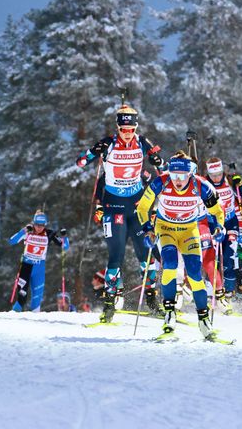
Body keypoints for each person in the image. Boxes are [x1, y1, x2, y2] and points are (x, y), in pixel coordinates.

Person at [76, 104, 165, 322]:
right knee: (116, 256)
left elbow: (162, 166)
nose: (127, 133)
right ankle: (109, 306)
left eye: (131, 129)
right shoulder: (108, 143)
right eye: (123, 129)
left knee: (146, 256)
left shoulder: (143, 142)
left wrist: (157, 161)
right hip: (114, 206)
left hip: (138, 207)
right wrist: (90, 154)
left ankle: (152, 301)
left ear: (135, 128)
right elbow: (80, 162)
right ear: (118, 127)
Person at [136, 151, 226, 340]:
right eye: (174, 175)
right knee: (169, 264)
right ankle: (170, 315)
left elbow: (217, 210)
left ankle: (203, 320)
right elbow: (143, 207)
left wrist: (220, 227)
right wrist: (147, 229)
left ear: (190, 174)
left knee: (194, 272)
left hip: (188, 231)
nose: (177, 180)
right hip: (166, 228)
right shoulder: (162, 181)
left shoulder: (201, 185)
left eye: (182, 176)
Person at [204, 157, 242, 311]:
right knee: (211, 259)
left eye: (218, 173)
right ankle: (211, 294)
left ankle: (229, 294)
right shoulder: (204, 183)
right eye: (213, 175)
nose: (216, 177)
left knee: (229, 258)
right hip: (212, 224)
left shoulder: (230, 180)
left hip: (230, 223)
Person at [8, 210, 69, 312]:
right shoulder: (28, 231)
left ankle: (36, 323)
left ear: (45, 225)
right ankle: (12, 318)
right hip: (26, 268)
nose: (39, 227)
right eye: (37, 225)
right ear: (33, 223)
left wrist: (64, 236)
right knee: (22, 298)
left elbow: (65, 246)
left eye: (42, 225)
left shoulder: (49, 234)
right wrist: (23, 231)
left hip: (39, 269)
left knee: (37, 299)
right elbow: (12, 241)